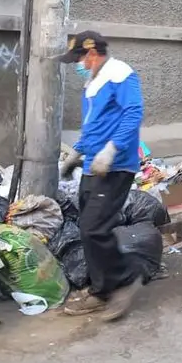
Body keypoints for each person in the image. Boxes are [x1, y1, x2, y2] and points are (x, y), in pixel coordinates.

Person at [58, 31, 146, 322]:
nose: (77, 65)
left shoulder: (120, 73)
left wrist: (111, 149)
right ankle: (101, 289)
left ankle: (125, 279)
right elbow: (93, 127)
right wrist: (76, 154)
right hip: (92, 166)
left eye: (79, 59)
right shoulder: (92, 83)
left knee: (95, 227)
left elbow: (133, 114)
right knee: (87, 228)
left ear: (92, 54)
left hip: (115, 166)